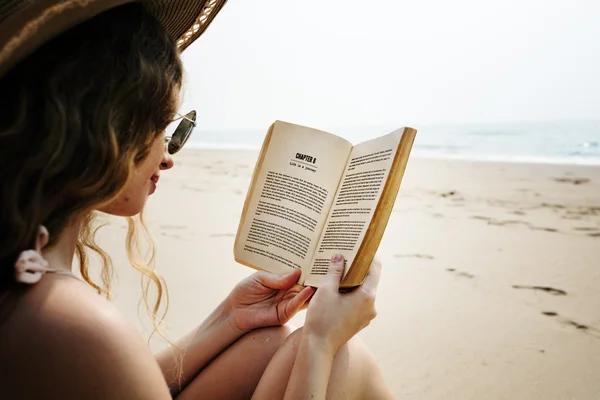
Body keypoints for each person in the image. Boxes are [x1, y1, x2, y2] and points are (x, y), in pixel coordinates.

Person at [0, 1, 394, 399]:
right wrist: (321, 342)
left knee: (268, 346)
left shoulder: (24, 276)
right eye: (160, 127)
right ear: (105, 129)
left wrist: (231, 317)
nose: (168, 156)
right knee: (344, 360)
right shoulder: (75, 324)